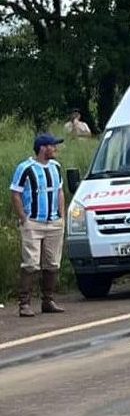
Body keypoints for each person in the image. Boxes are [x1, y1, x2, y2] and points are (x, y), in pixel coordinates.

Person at [11, 134, 67, 317]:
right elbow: (16, 193)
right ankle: (24, 303)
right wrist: (23, 217)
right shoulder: (25, 168)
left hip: (53, 221)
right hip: (33, 221)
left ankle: (48, 300)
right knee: (31, 262)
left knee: (52, 262)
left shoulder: (55, 167)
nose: (55, 149)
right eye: (52, 146)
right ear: (43, 148)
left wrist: (61, 216)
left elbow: (59, 191)